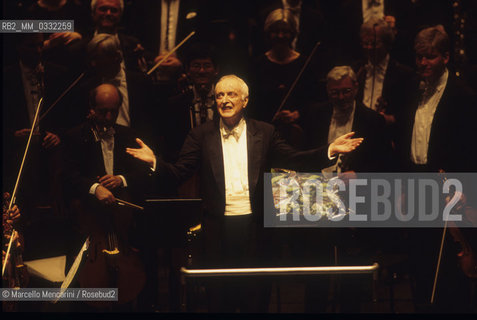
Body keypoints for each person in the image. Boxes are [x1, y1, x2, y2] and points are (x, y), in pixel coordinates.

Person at [126, 74, 363, 312]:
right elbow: (179, 172)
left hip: (256, 227)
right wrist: (155, 162)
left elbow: (294, 159)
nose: (225, 100)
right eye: (220, 95)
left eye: (231, 94)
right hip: (217, 228)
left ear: (245, 100)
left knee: (256, 296)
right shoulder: (201, 135)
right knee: (219, 297)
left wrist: (330, 149)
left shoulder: (265, 132)